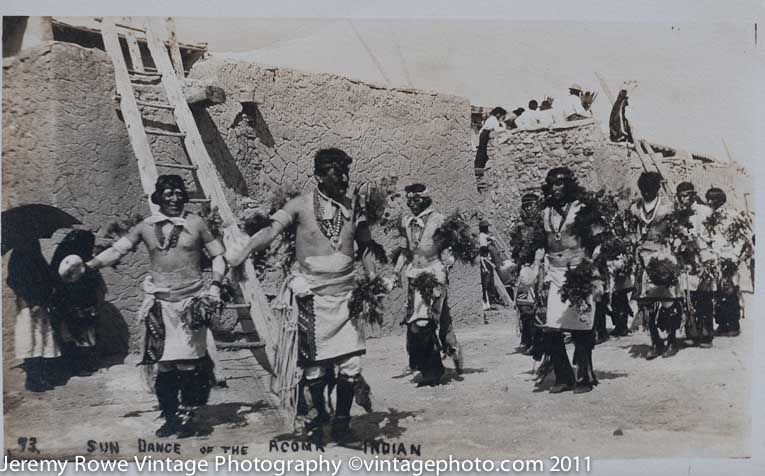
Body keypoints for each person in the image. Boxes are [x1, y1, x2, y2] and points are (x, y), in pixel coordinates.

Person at [225, 148, 378, 443]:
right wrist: (243, 251)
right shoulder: (299, 205)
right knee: (315, 367)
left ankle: (343, 422)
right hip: (311, 297)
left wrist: (374, 277)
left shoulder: (354, 207)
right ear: (319, 175)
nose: (345, 179)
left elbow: (366, 246)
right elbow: (270, 230)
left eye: (347, 172)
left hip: (346, 296)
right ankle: (319, 416)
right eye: (337, 173)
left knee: (351, 365)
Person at [59, 175, 226, 437]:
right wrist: (88, 266)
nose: (174, 198)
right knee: (165, 364)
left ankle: (188, 414)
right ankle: (170, 416)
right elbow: (117, 250)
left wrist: (215, 285)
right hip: (159, 305)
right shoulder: (145, 227)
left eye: (178, 192)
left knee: (189, 364)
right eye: (168, 193)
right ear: (158, 198)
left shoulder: (196, 223)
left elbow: (218, 255)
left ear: (184, 196)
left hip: (190, 304)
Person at [537, 167, 604, 393]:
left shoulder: (581, 209)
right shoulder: (545, 211)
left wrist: (590, 268)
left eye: (560, 184)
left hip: (578, 272)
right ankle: (564, 377)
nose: (556, 188)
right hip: (555, 274)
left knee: (581, 327)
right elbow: (542, 242)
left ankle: (584, 377)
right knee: (552, 327)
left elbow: (598, 241)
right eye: (552, 184)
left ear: (569, 185)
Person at [392, 183, 463, 386]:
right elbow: (406, 251)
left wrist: (445, 268)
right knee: (417, 319)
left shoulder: (437, 219)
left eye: (416, 200)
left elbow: (448, 247)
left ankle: (433, 370)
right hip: (414, 274)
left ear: (424, 199)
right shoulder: (407, 221)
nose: (412, 204)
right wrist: (396, 272)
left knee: (426, 321)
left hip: (433, 274)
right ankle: (443, 352)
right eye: (409, 201)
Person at [629, 172, 682, 359]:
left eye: (650, 189)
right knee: (646, 302)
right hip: (644, 255)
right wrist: (635, 246)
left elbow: (677, 231)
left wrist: (672, 250)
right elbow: (633, 230)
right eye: (643, 190)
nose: (646, 193)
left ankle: (672, 340)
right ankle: (655, 341)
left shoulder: (667, 208)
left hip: (664, 254)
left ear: (657, 188)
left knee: (669, 300)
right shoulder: (636, 208)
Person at [8, 240, 62, 392]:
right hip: (28, 305)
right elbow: (15, 280)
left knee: (40, 339)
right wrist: (31, 300)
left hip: (40, 304)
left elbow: (45, 276)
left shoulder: (35, 255)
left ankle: (41, 377)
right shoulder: (19, 257)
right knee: (30, 338)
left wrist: (44, 296)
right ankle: (33, 380)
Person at [50, 229, 103, 376]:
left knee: (74, 335)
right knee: (78, 335)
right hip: (75, 304)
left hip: (73, 304)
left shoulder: (67, 257)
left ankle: (77, 365)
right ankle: (79, 366)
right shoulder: (73, 260)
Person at [676, 182, 715, 348]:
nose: (683, 199)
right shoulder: (678, 214)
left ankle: (706, 334)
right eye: (680, 196)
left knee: (704, 295)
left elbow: (713, 233)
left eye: (686, 195)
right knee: (688, 296)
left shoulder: (704, 211)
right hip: (686, 257)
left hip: (704, 256)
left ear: (693, 195)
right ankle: (692, 332)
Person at [509, 193, 546, 355]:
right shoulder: (519, 228)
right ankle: (528, 338)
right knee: (525, 307)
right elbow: (516, 251)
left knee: (541, 308)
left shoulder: (544, 224)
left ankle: (540, 341)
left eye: (532, 205)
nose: (529, 208)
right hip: (525, 270)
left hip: (542, 269)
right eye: (526, 205)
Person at [474, 107, 507, 172]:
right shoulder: (494, 119)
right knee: (482, 153)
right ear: (498, 114)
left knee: (481, 152)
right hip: (485, 134)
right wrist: (504, 128)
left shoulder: (491, 118)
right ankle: (479, 171)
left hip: (484, 134)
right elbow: (496, 129)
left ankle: (478, 170)